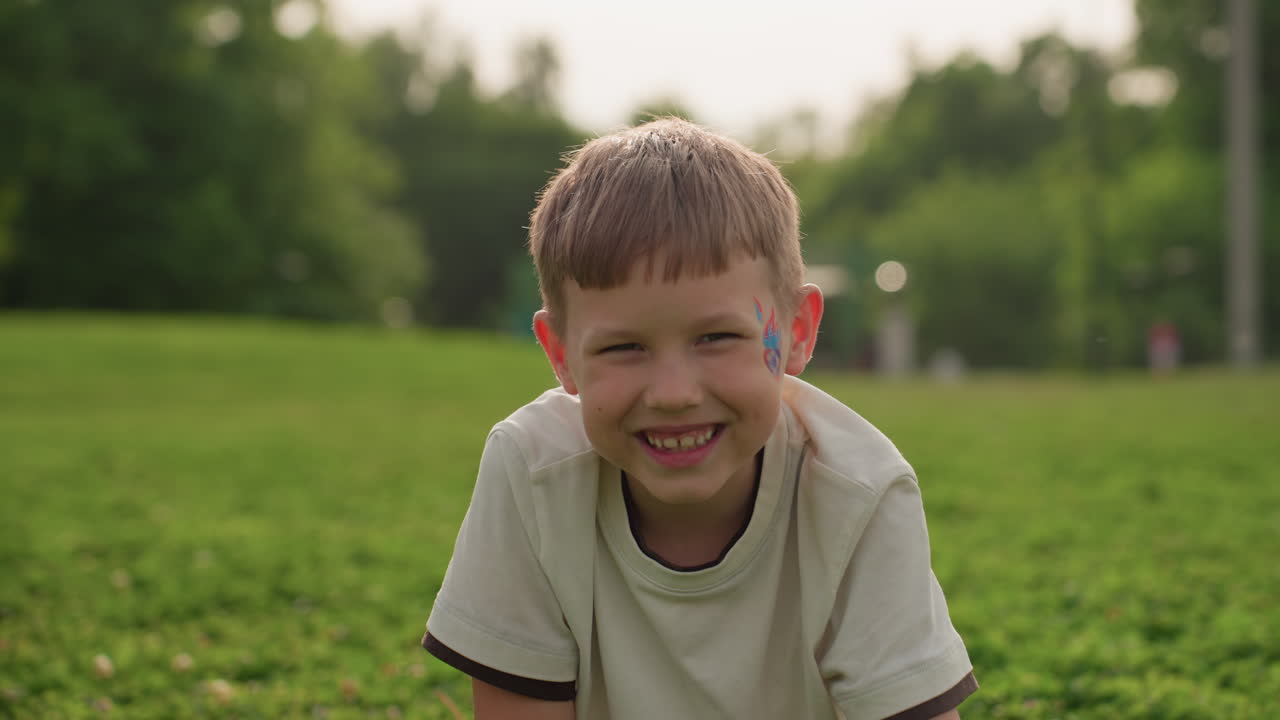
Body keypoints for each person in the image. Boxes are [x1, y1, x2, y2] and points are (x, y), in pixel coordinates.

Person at [422, 118, 976, 719]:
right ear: (561, 354)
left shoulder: (860, 494)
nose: (673, 393)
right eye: (623, 348)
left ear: (797, 331)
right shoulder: (532, 472)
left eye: (716, 337)